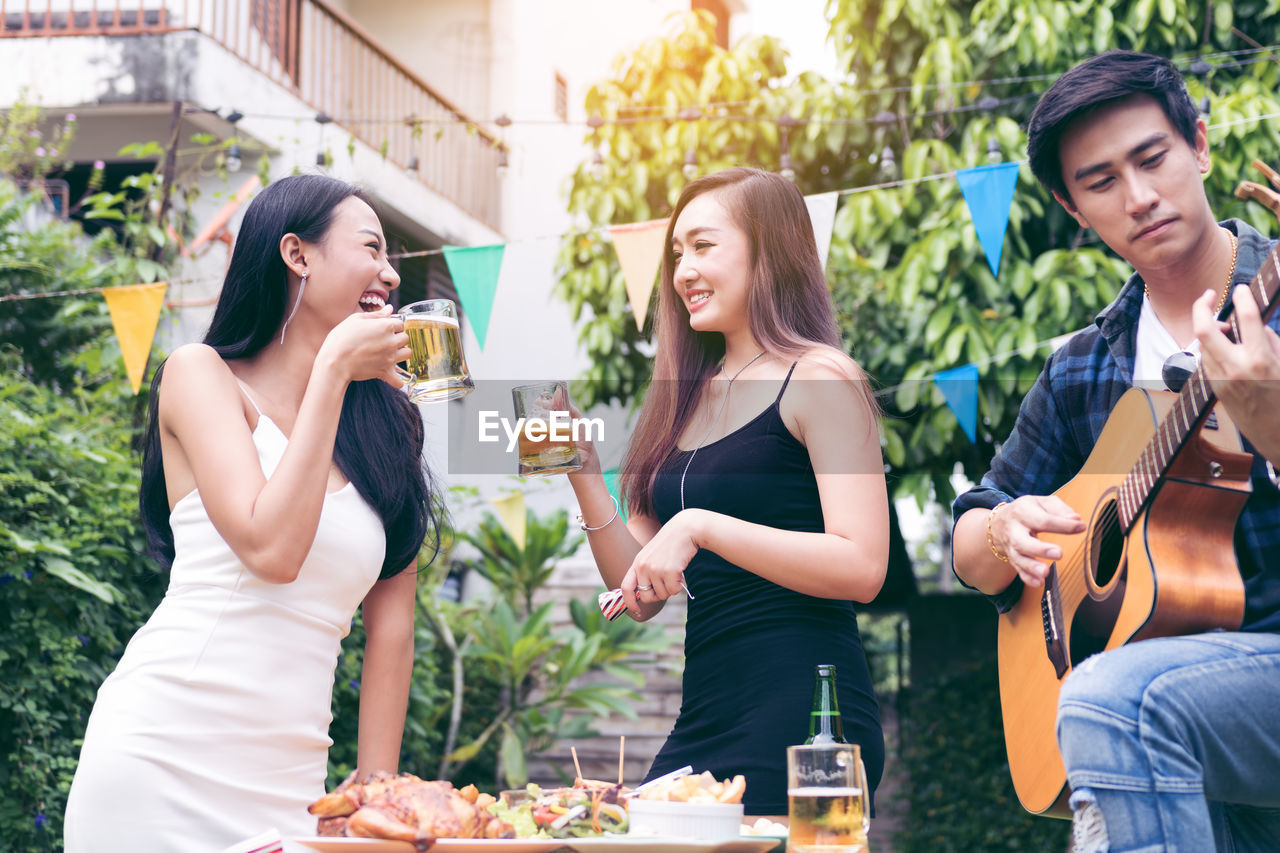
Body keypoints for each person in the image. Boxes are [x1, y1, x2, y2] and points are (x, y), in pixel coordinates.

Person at [951, 51, 1280, 852]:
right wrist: (1003, 534)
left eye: (1152, 158)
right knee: (1118, 701)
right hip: (1165, 716)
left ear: (1199, 145)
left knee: (1111, 700)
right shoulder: (1082, 366)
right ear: (1073, 207)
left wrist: (1268, 415)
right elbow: (970, 536)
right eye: (1101, 182)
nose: (1138, 197)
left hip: (1205, 688)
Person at [63, 174, 440, 850]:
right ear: (297, 254)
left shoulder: (389, 427)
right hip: (159, 761)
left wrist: (375, 790)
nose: (388, 271)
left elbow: (393, 626)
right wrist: (332, 372)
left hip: (287, 785)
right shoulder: (200, 375)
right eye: (372, 247)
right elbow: (272, 550)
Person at [566, 167, 890, 816]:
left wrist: (699, 526)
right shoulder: (682, 397)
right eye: (677, 252)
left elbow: (862, 566)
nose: (683, 268)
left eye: (704, 245)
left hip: (807, 712)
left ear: (768, 249)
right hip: (707, 712)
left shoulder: (819, 377)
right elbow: (638, 596)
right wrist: (582, 471)